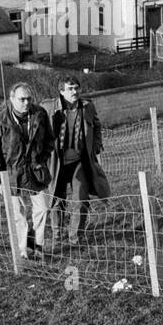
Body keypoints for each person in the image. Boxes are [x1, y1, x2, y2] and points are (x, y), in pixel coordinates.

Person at [0, 82, 54, 259]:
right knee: (18, 215)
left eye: (29, 99)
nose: (26, 103)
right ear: (11, 99)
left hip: (36, 171)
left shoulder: (40, 114)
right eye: (22, 99)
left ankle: (38, 246)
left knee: (43, 209)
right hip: (12, 174)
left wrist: (41, 159)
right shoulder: (0, 121)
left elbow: (49, 140)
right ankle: (23, 251)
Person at [43, 78, 109, 248]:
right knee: (57, 199)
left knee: (81, 199)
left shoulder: (87, 106)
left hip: (79, 161)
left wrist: (95, 147)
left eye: (77, 88)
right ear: (61, 91)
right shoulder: (48, 107)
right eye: (70, 88)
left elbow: (96, 126)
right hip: (56, 162)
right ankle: (57, 236)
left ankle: (75, 238)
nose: (75, 92)